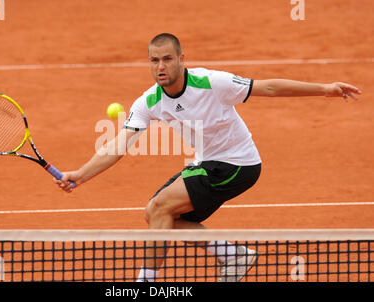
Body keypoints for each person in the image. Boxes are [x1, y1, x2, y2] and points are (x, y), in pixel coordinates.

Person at [54, 33, 361, 282]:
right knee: (157, 216)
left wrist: (325, 89)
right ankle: (232, 256)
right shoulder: (148, 101)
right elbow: (118, 146)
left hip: (238, 163)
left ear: (181, 60)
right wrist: (80, 174)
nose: (160, 66)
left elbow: (267, 87)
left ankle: (145, 284)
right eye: (154, 60)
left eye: (167, 59)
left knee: (160, 206)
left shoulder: (212, 83)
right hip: (207, 163)